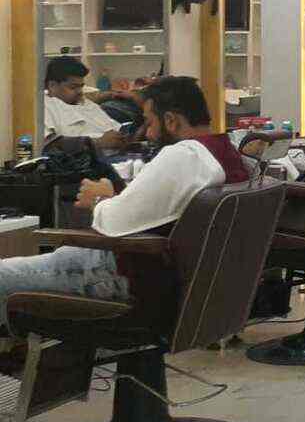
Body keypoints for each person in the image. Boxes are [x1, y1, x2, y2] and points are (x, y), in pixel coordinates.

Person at [0, 77, 248, 315]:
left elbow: (113, 225)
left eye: (150, 123)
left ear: (171, 120)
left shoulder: (184, 155)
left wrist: (98, 200)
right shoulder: (225, 153)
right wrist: (115, 195)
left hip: (119, 273)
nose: (148, 134)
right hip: (163, 273)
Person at [41, 56, 131, 153]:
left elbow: (116, 129)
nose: (80, 91)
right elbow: (49, 145)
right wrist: (97, 143)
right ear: (52, 85)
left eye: (81, 86)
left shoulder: (85, 103)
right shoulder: (44, 107)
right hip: (81, 159)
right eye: (73, 87)